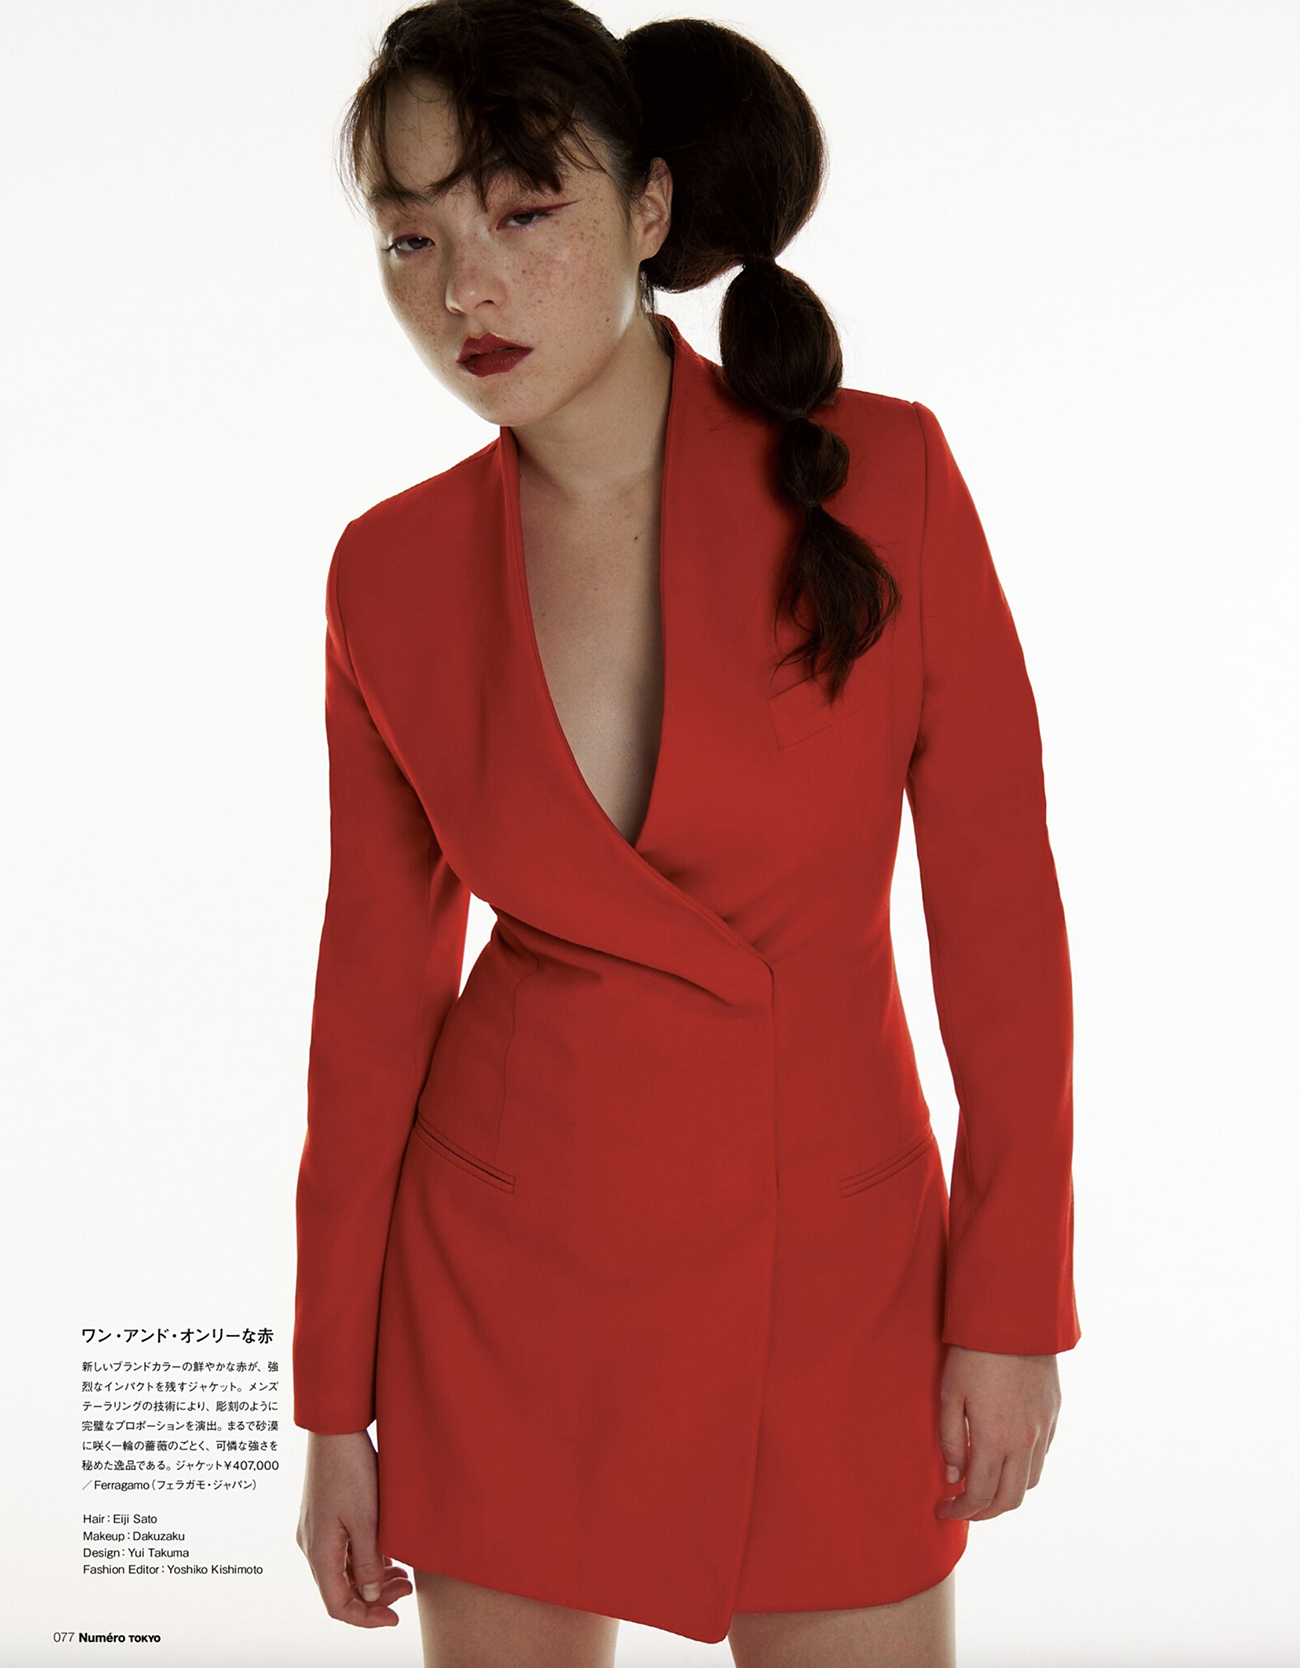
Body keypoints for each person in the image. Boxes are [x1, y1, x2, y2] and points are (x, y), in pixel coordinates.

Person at [292, 3, 1081, 1664]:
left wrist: (1009, 1309)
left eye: (524, 212)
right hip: (501, 1283)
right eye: (412, 238)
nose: (466, 291)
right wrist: (334, 1406)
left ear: (649, 206)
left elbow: (1001, 922)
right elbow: (368, 1011)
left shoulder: (887, 475)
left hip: (834, 1272)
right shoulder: (387, 573)